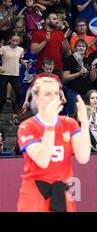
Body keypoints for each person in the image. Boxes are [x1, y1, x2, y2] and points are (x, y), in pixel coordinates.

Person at [17, 77, 91, 212]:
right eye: (47, 94)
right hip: (35, 193)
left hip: (62, 191)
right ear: (36, 98)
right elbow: (43, 160)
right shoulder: (27, 126)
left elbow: (83, 157)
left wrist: (85, 123)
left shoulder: (69, 123)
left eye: (56, 93)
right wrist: (50, 125)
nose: (53, 97)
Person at [0, 33, 27, 116]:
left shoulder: (20, 49)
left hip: (15, 74)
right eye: (13, 41)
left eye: (17, 41)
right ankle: (0, 111)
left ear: (19, 41)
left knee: (19, 93)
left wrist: (26, 64)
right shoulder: (3, 48)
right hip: (4, 74)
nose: (15, 42)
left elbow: (20, 60)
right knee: (2, 97)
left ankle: (15, 110)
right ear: (10, 40)